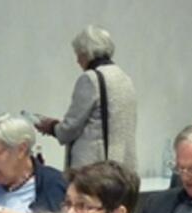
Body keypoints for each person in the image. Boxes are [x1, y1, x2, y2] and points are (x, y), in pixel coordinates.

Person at [35, 24, 137, 170]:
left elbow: (71, 127)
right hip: (121, 166)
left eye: (78, 54)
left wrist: (51, 127)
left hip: (93, 168)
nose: (77, 60)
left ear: (86, 53)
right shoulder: (125, 78)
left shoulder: (90, 79)